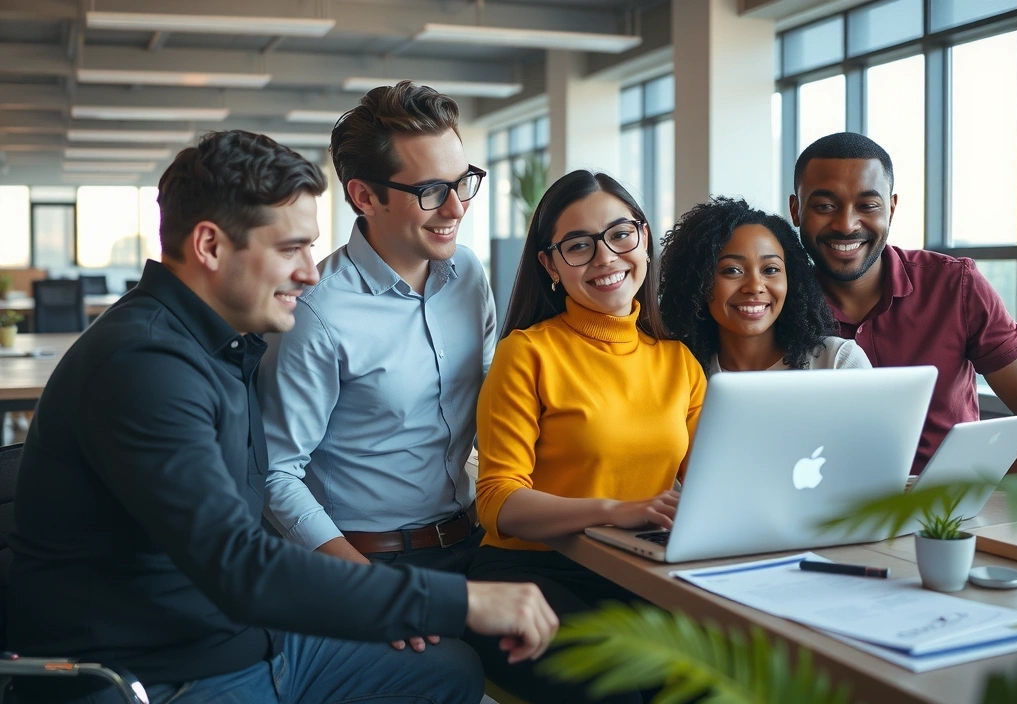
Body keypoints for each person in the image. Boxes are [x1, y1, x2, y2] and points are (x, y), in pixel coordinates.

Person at [5, 130, 557, 704]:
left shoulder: (219, 346)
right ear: (211, 247)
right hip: (161, 670)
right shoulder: (143, 364)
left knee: (449, 671)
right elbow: (240, 563)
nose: (311, 273)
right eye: (290, 249)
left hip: (242, 638)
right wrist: (458, 601)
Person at [257, 83, 494, 627]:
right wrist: (368, 591)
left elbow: (490, 405)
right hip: (373, 564)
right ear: (365, 197)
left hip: (475, 542)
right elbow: (276, 475)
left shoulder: (469, 275)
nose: (456, 208)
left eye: (463, 182)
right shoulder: (315, 313)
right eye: (433, 190)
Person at [465, 170, 707, 704]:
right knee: (623, 691)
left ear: (644, 237)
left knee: (714, 683)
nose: (605, 258)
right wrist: (612, 509)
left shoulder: (679, 363)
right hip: (529, 573)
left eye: (621, 234)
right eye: (579, 246)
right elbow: (497, 501)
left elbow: (705, 489)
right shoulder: (527, 352)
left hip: (640, 573)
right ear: (549, 265)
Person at [790, 132, 1017, 474]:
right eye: (825, 206)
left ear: (892, 208)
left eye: (868, 206)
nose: (846, 224)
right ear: (796, 210)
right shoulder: (778, 304)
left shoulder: (955, 285)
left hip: (948, 516)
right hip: (825, 511)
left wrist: (988, 483)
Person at [659, 196, 870, 374]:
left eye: (770, 270)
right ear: (698, 281)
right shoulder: (682, 373)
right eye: (732, 270)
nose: (755, 286)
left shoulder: (836, 363)